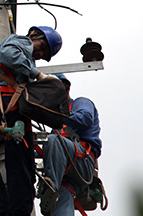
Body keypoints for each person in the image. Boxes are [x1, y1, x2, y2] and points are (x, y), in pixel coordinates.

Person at [0, 26, 62, 216]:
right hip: (8, 104)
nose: (40, 53)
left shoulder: (11, 58)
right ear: (34, 36)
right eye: (43, 46)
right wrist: (37, 75)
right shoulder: (21, 41)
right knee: (20, 163)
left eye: (45, 53)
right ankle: (19, 212)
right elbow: (7, 55)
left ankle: (2, 212)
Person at [37, 74, 102, 216]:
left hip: (82, 162)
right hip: (67, 176)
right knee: (63, 198)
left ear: (66, 88)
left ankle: (50, 187)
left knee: (53, 140)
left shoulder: (80, 103)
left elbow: (85, 118)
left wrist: (60, 115)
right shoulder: (55, 128)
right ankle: (53, 190)